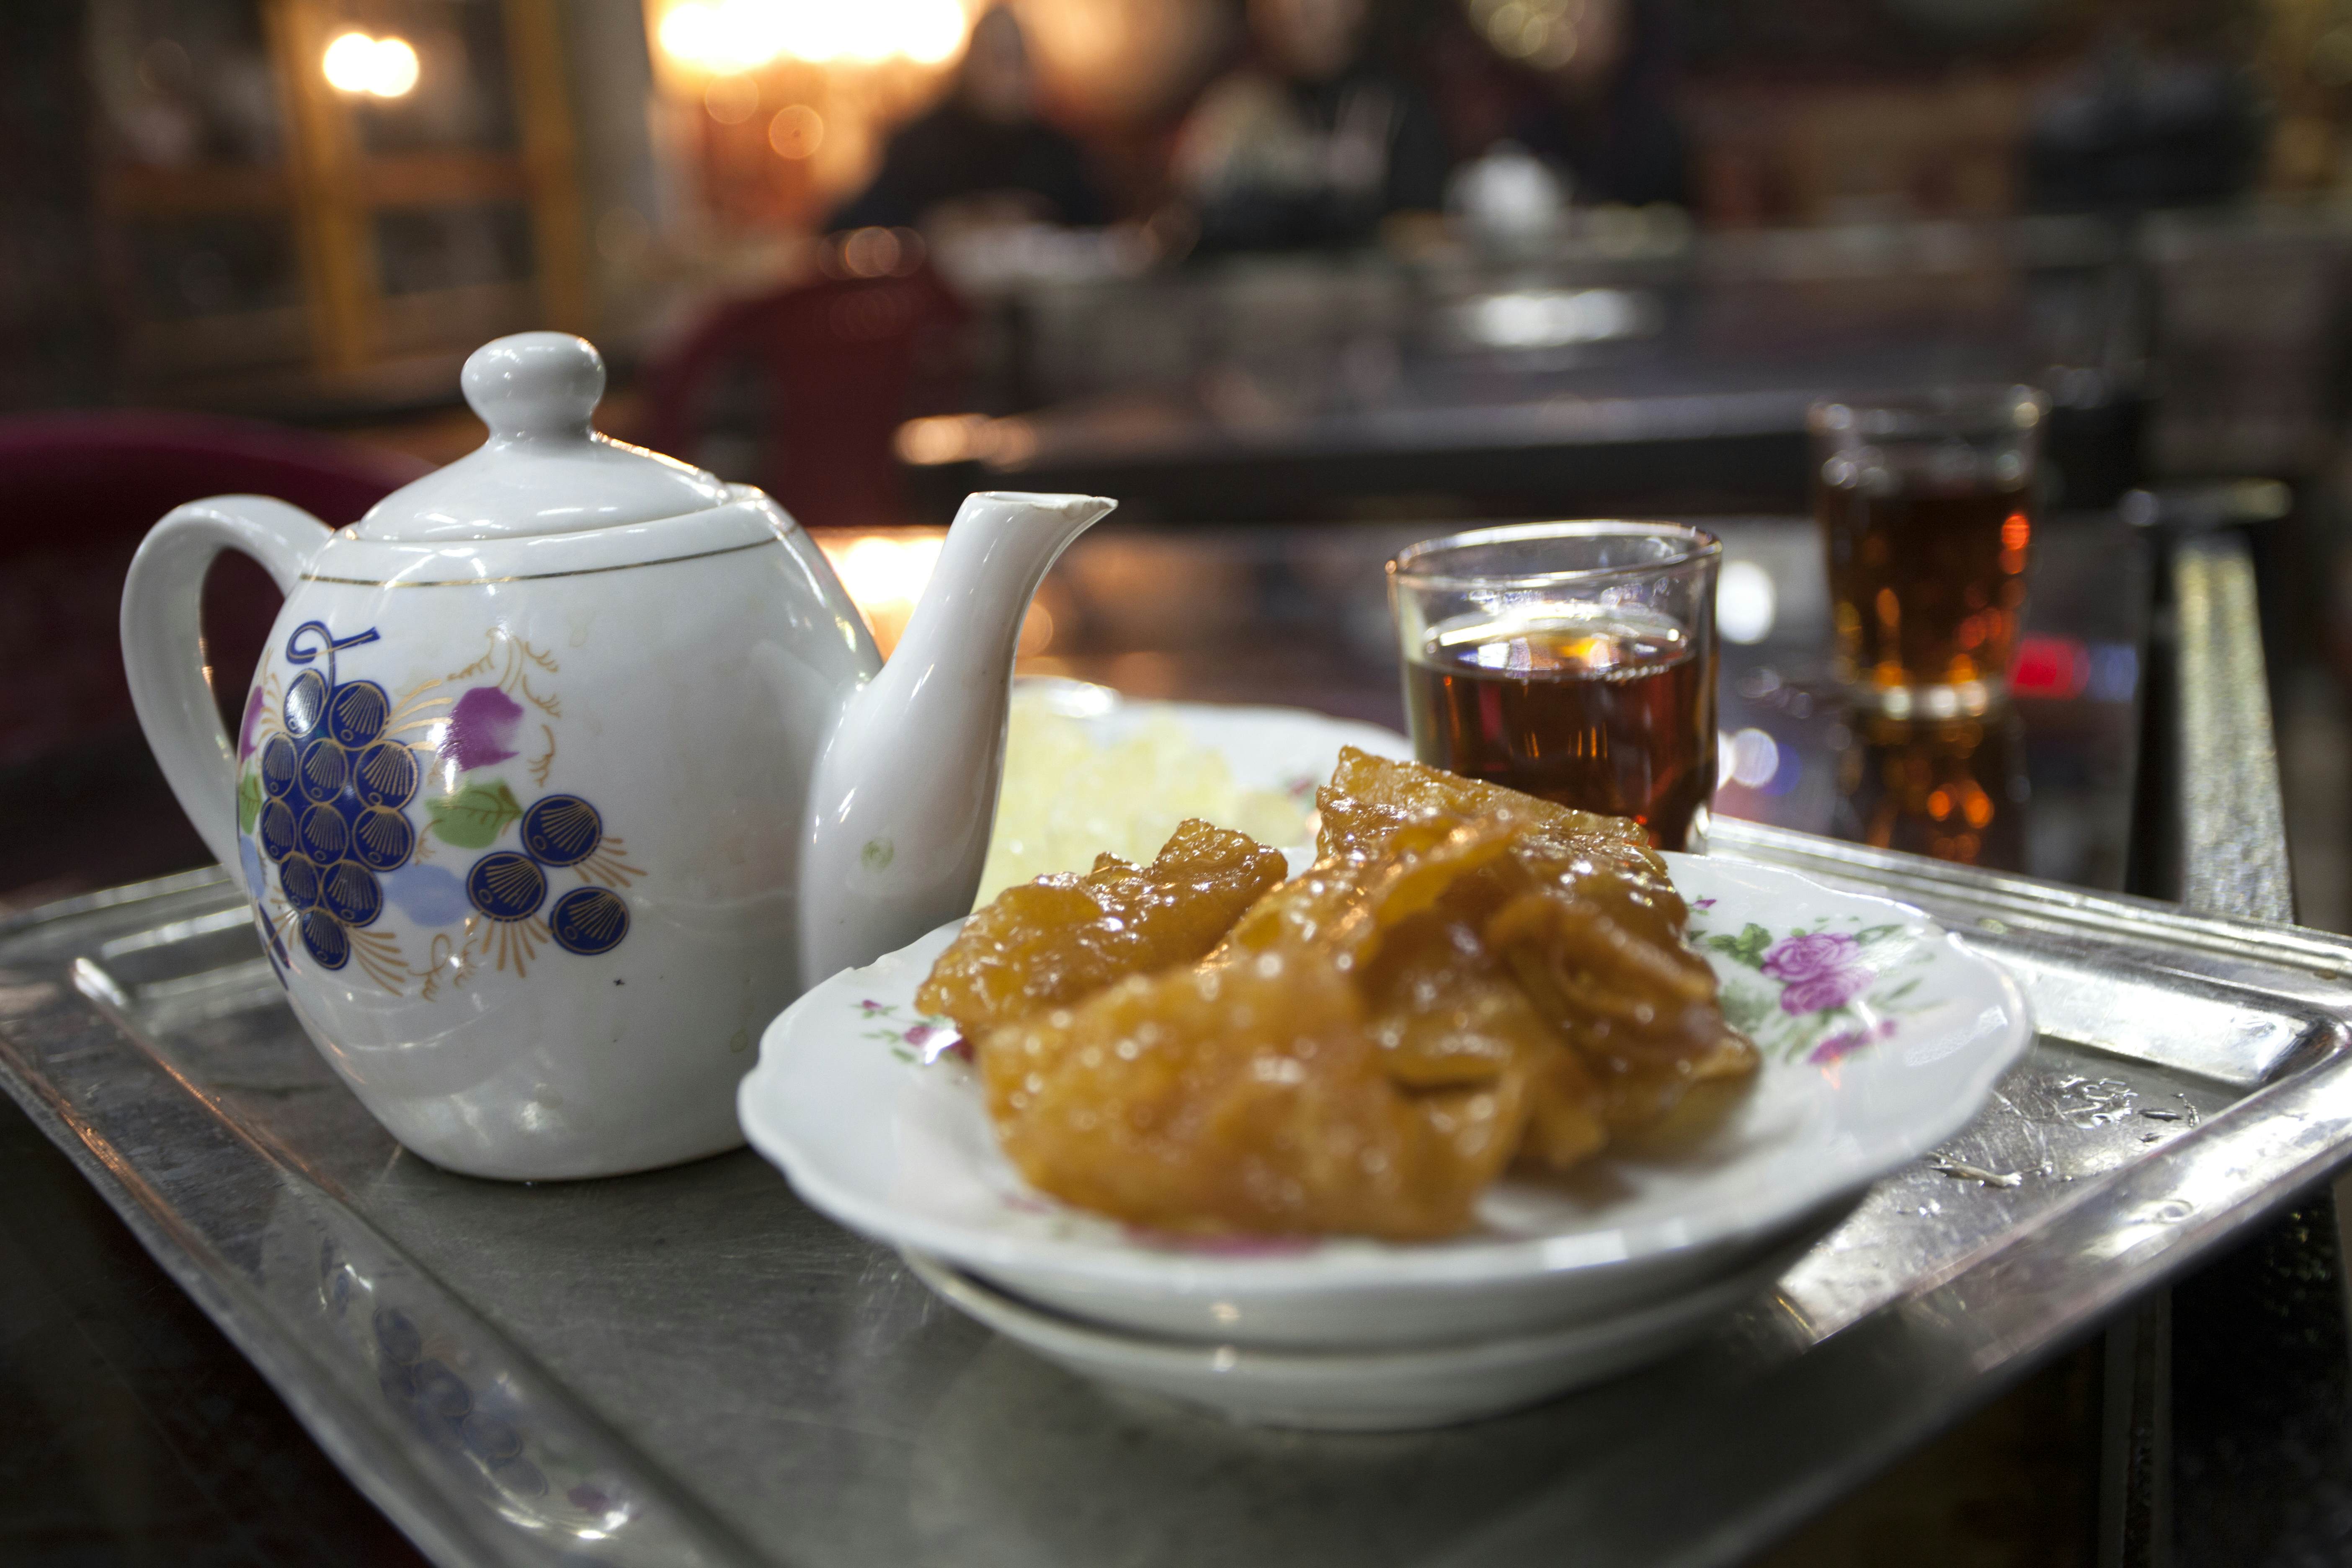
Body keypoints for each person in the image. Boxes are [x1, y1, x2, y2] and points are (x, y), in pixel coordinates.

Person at [1173, 0, 1452, 252]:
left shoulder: (1394, 106)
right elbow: (1193, 218)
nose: (1296, 10)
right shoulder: (1237, 105)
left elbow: (1426, 230)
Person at [830, 7, 1106, 232]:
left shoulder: (1058, 151)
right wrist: (940, 221)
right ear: (968, 63)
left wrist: (1038, 218)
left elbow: (1102, 231)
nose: (1004, 74)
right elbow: (851, 226)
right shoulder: (919, 145)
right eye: (994, 57)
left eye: (1014, 59)